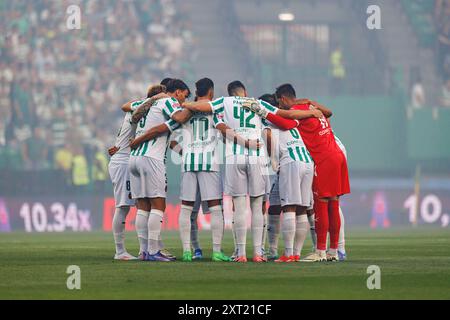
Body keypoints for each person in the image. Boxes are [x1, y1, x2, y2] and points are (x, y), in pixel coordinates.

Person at [243, 83, 350, 262]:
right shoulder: (311, 107)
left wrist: (262, 111)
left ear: (283, 99)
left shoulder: (296, 112)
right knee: (333, 203)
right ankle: (336, 250)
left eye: (279, 103)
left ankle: (321, 251)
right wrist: (310, 104)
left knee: (320, 204)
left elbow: (286, 120)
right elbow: (329, 112)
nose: (279, 107)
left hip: (323, 159)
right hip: (337, 153)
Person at [182, 81, 266, 263]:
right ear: (245, 91)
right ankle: (257, 253)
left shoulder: (221, 104)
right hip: (250, 157)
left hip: (219, 159)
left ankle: (240, 253)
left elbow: (173, 129)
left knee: (189, 208)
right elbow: (277, 120)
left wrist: (184, 103)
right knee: (254, 205)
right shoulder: (257, 103)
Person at [128, 79, 192, 262]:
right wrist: (192, 108)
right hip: (152, 159)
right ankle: (154, 250)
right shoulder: (167, 102)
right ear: (178, 92)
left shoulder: (146, 104)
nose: (183, 101)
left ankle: (143, 251)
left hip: (135, 159)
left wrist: (183, 152)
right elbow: (178, 118)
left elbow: (167, 136)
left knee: (143, 207)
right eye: (184, 97)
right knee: (158, 205)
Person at [172, 78, 231, 262]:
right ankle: (216, 252)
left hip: (189, 162)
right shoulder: (215, 108)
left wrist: (185, 152)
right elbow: (222, 130)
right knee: (215, 208)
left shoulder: (186, 111)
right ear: (211, 91)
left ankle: (187, 252)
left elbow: (172, 141)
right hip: (209, 162)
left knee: (186, 207)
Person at [107, 84, 167, 261]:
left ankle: (146, 249)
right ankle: (120, 252)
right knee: (123, 206)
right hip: (123, 160)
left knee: (140, 205)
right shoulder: (143, 108)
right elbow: (126, 105)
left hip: (126, 158)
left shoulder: (143, 110)